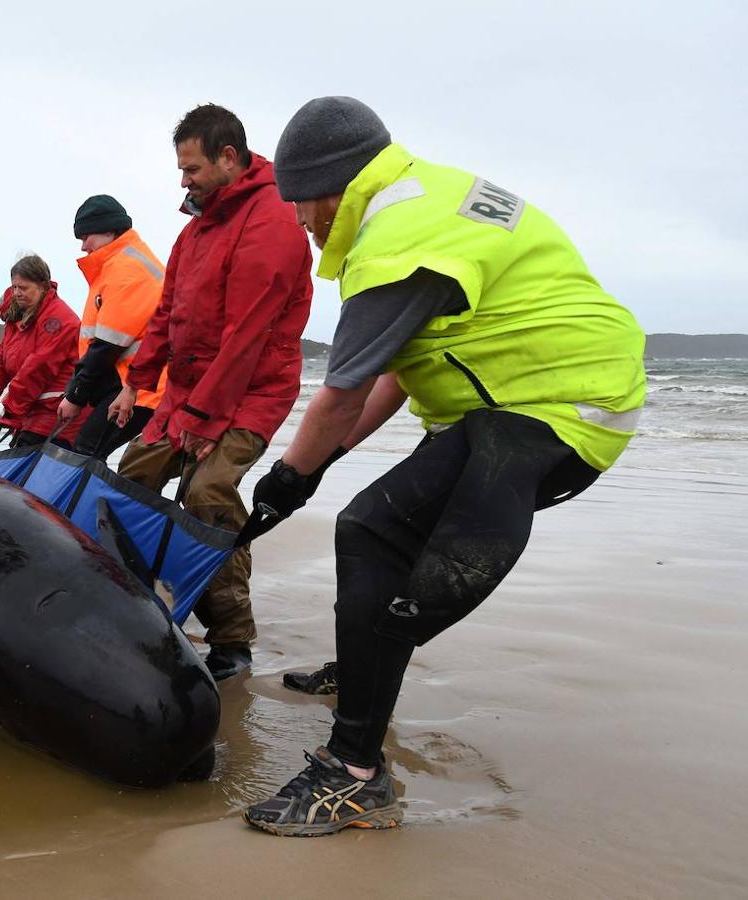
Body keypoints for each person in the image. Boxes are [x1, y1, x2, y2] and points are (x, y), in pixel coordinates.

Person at [242, 96, 646, 837]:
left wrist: (288, 476)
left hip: (556, 402)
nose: (302, 221)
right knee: (378, 526)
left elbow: (343, 391)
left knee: (371, 531)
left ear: (333, 188)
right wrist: (322, 464)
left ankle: (354, 774)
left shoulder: (395, 240)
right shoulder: (426, 199)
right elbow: (397, 374)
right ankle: (364, 670)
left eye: (303, 204)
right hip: (520, 397)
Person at [106, 104, 313, 681]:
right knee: (132, 479)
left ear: (228, 157)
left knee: (208, 495)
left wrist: (204, 418)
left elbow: (246, 334)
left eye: (191, 168)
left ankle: (231, 642)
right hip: (188, 393)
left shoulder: (272, 220)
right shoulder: (195, 230)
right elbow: (167, 314)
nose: (184, 180)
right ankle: (131, 602)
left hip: (252, 393)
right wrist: (138, 384)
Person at [56, 195, 168, 459]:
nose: (83, 247)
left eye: (86, 237)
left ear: (108, 230)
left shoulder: (127, 269)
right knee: (90, 450)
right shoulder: (120, 264)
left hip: (146, 387)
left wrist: (75, 396)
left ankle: (89, 501)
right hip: (136, 383)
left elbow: (107, 346)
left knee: (86, 449)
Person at [0, 255, 85, 447]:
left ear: (43, 286)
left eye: (23, 288)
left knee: (25, 464)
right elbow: (1, 359)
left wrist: (11, 410)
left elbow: (38, 368)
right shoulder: (19, 316)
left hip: (56, 413)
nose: (17, 293)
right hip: (32, 409)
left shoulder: (60, 320)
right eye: (15, 287)